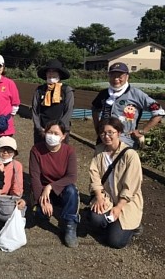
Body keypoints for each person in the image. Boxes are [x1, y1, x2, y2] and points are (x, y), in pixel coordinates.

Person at [89, 117, 143, 249]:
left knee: (115, 242)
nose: (106, 136)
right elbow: (94, 175)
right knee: (94, 218)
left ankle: (134, 227)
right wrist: (99, 196)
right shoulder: (99, 150)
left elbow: (131, 186)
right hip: (107, 197)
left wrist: (118, 207)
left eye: (110, 132)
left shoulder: (130, 155)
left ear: (118, 132)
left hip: (126, 202)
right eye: (102, 133)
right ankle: (112, 224)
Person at [29, 120, 79, 248]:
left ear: (63, 136)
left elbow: (72, 176)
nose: (52, 136)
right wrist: (43, 200)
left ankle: (69, 225)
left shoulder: (69, 151)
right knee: (41, 215)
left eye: (56, 133)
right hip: (43, 191)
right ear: (44, 133)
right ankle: (48, 206)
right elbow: (35, 177)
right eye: (49, 132)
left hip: (61, 188)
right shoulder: (36, 150)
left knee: (72, 190)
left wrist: (50, 186)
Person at [92, 62, 165, 149]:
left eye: (120, 76)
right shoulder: (104, 93)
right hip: (104, 141)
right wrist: (98, 128)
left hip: (126, 142)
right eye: (113, 75)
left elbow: (159, 111)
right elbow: (95, 109)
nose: (116, 79)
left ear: (127, 76)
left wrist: (143, 131)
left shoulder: (136, 94)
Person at [32, 59, 74, 144]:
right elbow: (34, 110)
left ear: (59, 74)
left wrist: (57, 130)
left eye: (54, 71)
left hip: (60, 131)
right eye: (49, 71)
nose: (51, 73)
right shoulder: (39, 90)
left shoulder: (67, 90)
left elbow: (68, 111)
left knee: (60, 155)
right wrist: (39, 128)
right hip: (42, 130)